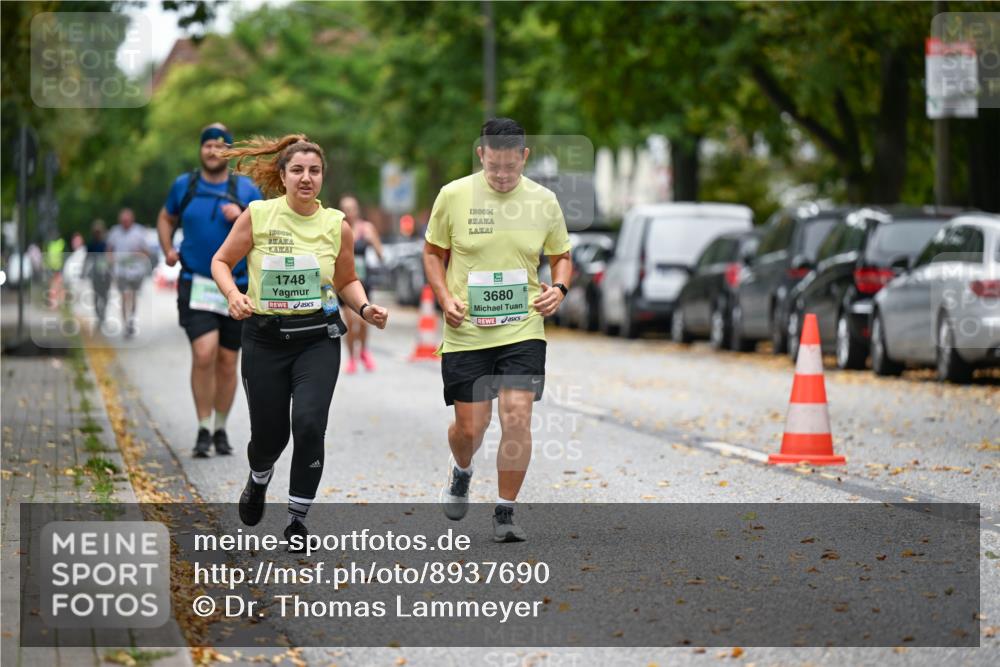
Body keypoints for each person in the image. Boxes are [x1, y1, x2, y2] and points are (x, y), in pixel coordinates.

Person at [211, 134, 388, 548]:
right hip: (265, 339)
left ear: (322, 176)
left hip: (317, 338)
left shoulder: (335, 226)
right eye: (298, 170)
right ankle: (258, 479)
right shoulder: (258, 216)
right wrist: (235, 295)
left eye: (314, 171)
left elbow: (346, 279)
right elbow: (221, 261)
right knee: (270, 437)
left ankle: (297, 520)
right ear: (283, 175)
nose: (306, 178)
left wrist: (364, 309)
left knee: (309, 424)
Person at [423, 118, 572, 543]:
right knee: (471, 428)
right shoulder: (453, 196)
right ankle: (462, 470)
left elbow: (562, 256)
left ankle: (505, 511)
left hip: (522, 325)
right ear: (481, 155)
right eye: (495, 167)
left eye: (512, 166)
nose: (504, 176)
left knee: (517, 415)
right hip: (466, 329)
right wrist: (443, 297)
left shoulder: (544, 201)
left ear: (524, 157)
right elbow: (433, 254)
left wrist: (559, 288)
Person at [157, 123, 263, 458]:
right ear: (201, 150)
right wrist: (167, 249)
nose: (214, 151)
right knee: (204, 353)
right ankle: (202, 427)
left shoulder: (246, 189)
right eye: (208, 145)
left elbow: (267, 228)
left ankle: (220, 427)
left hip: (238, 287)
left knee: (228, 361)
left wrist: (244, 215)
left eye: (221, 146)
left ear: (229, 152)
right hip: (197, 282)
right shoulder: (184, 185)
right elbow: (165, 218)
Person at [339, 195, 383, 373]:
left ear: (357, 209)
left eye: (352, 208)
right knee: (350, 322)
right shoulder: (338, 228)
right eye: (345, 208)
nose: (349, 212)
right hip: (344, 281)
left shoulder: (367, 228)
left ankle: (363, 350)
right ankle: (351, 358)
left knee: (364, 322)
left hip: (363, 282)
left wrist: (372, 241)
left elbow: (380, 254)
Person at [106, 208, 151, 337]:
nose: (124, 223)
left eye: (127, 220)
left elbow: (147, 252)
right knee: (125, 296)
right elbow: (109, 250)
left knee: (133, 297)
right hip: (120, 271)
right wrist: (110, 261)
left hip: (136, 271)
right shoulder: (115, 232)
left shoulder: (139, 232)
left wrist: (139, 254)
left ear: (132, 220)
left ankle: (131, 319)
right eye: (122, 221)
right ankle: (126, 324)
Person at [84, 221, 112, 327]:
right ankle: (98, 315)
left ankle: (103, 315)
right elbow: (87, 258)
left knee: (105, 296)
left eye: (99, 232)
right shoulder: (91, 244)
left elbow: (111, 258)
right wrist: (83, 271)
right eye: (95, 232)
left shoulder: (106, 244)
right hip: (96, 274)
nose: (97, 234)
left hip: (105, 274)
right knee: (96, 295)